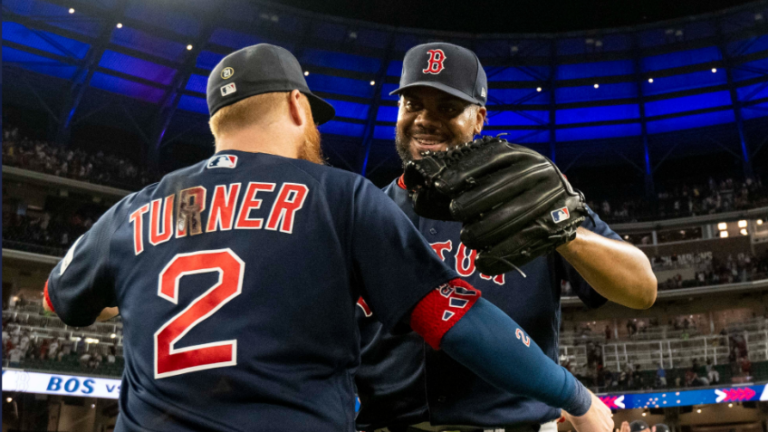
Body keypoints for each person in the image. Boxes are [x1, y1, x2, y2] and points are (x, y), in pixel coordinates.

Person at [42, 44, 611, 432]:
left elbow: (58, 298)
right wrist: (576, 397)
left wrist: (138, 290)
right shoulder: (340, 197)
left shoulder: (133, 211)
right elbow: (454, 320)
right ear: (296, 105)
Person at [355, 42, 656, 432]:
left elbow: (642, 288)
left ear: (479, 118)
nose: (425, 120)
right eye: (413, 104)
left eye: (447, 108)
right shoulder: (367, 210)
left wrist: (561, 231)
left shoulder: (530, 192)